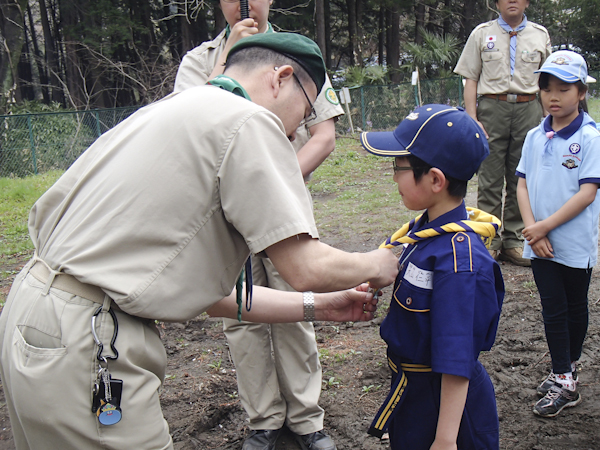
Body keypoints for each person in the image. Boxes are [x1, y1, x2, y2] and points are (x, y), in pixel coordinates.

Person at [0, 33, 399, 450]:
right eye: (305, 107)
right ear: (281, 78)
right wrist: (377, 263)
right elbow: (305, 267)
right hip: (89, 337)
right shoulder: (247, 120)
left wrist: (321, 306)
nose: (298, 126)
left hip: (33, 317)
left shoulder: (171, 111)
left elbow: (214, 296)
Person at [174, 2, 345, 450]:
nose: (243, 1)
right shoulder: (199, 61)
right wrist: (227, 56)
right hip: (223, 213)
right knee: (241, 314)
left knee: (297, 301)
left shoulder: (299, 55)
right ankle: (263, 419)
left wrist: (275, 181)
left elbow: (324, 135)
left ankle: (308, 419)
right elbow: (187, 124)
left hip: (284, 206)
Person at [359, 104, 505, 449]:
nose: (394, 176)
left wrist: (445, 439)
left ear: (435, 180)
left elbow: (457, 359)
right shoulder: (426, 233)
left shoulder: (459, 261)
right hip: (416, 397)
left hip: (447, 410)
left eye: (399, 167)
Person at [516, 50, 600, 418]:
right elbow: (521, 183)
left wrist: (545, 227)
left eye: (563, 88)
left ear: (581, 92)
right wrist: (534, 230)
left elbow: (588, 192)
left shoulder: (590, 137)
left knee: (575, 307)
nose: (553, 96)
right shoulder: (535, 135)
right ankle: (563, 376)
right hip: (540, 245)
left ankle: (567, 367)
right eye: (546, 87)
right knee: (553, 309)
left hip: (574, 244)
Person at [454, 0, 551, 266]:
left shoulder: (540, 35)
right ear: (496, 2)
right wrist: (473, 118)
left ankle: (515, 240)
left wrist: (548, 120)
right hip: (491, 109)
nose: (512, 1)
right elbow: (470, 78)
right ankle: (489, 240)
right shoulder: (481, 33)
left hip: (528, 108)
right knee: (490, 176)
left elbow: (547, 82)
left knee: (523, 176)